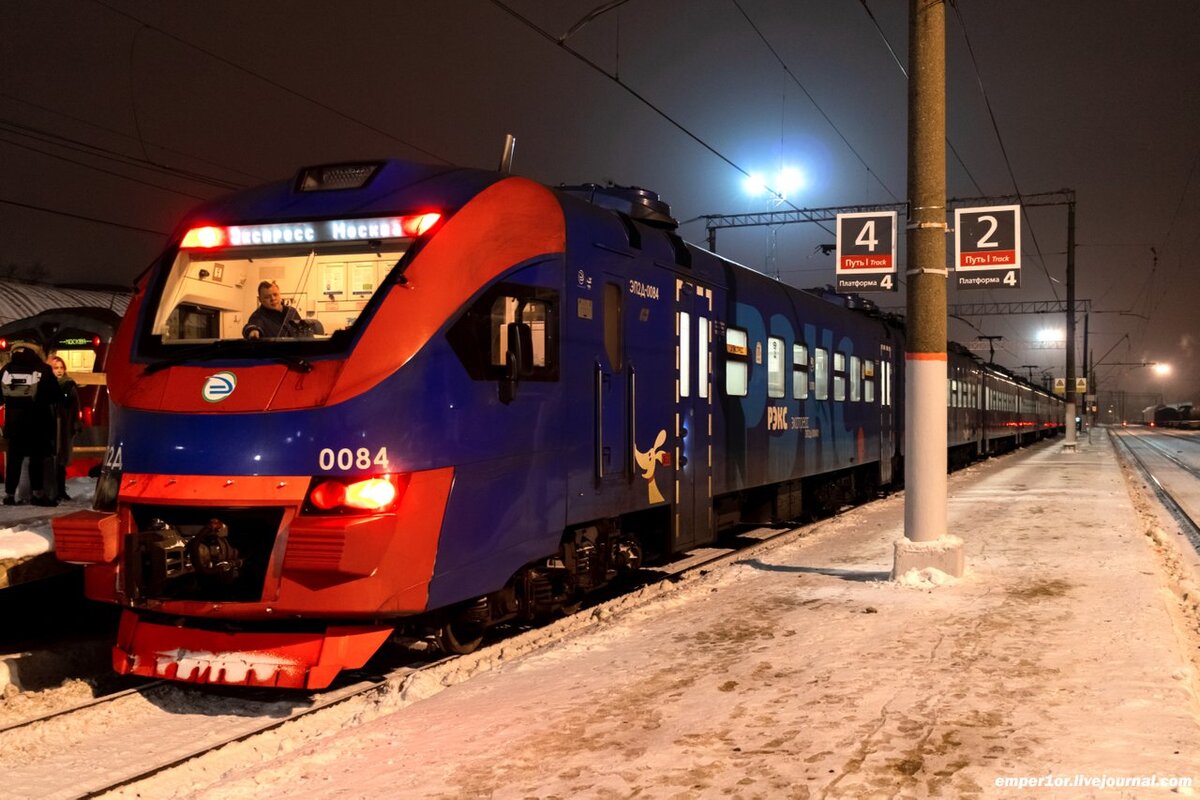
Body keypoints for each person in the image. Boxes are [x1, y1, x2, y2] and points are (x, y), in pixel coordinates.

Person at [0, 346, 60, 506]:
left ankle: (10, 495)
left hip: (14, 424)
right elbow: (55, 394)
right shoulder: (43, 369)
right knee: (36, 459)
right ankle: (37, 494)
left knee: (14, 460)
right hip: (38, 422)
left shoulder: (8, 369)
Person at [48, 354, 79, 501]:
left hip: (64, 423)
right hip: (51, 423)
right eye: (56, 368)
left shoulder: (69, 384)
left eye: (61, 367)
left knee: (61, 456)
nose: (59, 371)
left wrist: (76, 423)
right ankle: (52, 489)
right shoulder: (47, 384)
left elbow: (75, 405)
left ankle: (60, 489)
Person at [242, 281, 312, 339]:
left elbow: (301, 330)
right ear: (260, 300)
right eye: (267, 297)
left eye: (275, 294)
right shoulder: (258, 316)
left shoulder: (291, 311)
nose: (273, 299)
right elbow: (252, 326)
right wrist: (252, 331)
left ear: (280, 294)